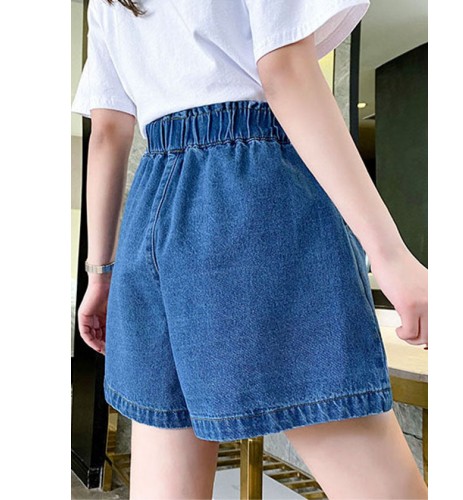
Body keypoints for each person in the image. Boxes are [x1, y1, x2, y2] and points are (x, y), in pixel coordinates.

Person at [72, 0, 428, 498]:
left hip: (150, 211)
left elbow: (108, 134)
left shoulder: (107, 5)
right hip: (250, 189)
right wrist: (391, 257)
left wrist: (101, 273)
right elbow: (284, 70)